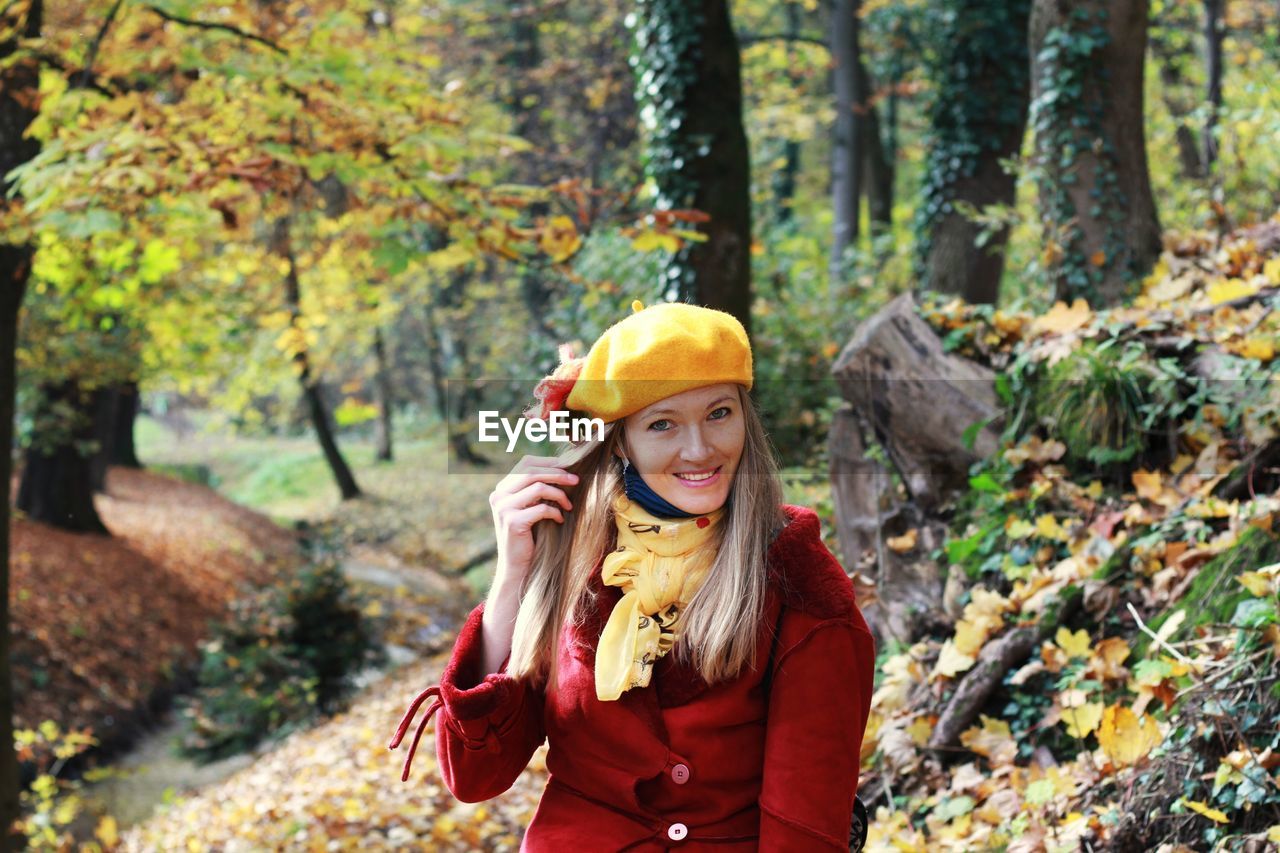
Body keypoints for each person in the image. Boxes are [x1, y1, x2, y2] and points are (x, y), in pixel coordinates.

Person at [389, 299, 876, 850]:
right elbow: (475, 778)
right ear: (619, 441)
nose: (700, 449)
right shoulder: (572, 558)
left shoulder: (795, 576)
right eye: (662, 424)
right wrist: (512, 579)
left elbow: (805, 827)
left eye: (719, 413)